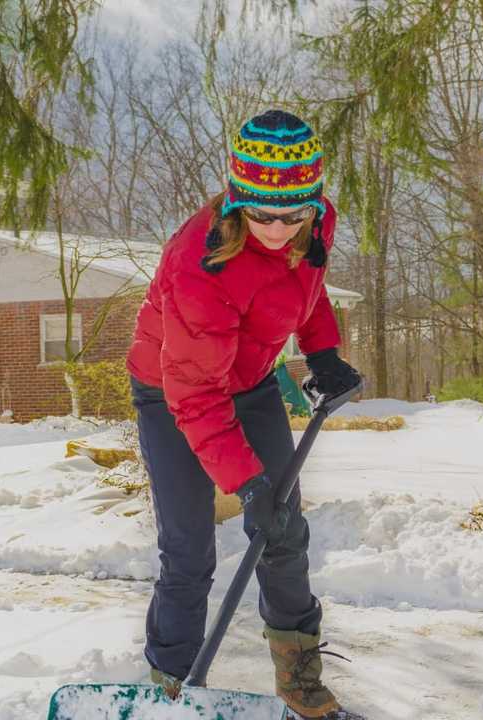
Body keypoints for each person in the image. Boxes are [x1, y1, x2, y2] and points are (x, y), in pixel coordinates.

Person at [126, 109, 363, 720]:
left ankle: (302, 685)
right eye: (262, 215)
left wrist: (324, 350)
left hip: (251, 379)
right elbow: (195, 396)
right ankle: (170, 690)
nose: (280, 229)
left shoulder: (314, 221)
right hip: (174, 392)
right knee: (189, 551)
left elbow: (301, 288)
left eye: (294, 215)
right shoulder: (199, 265)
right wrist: (246, 482)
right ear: (236, 202)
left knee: (283, 534)